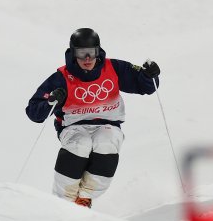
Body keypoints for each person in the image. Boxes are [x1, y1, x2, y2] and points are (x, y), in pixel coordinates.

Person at [25, 28, 160, 208]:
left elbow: (147, 87)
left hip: (108, 124)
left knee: (106, 142)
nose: (87, 59)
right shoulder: (62, 77)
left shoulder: (113, 68)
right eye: (82, 54)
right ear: (73, 54)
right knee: (80, 144)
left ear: (98, 51)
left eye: (91, 53)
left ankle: (85, 198)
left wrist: (149, 75)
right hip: (73, 126)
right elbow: (34, 112)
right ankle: (64, 200)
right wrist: (51, 101)